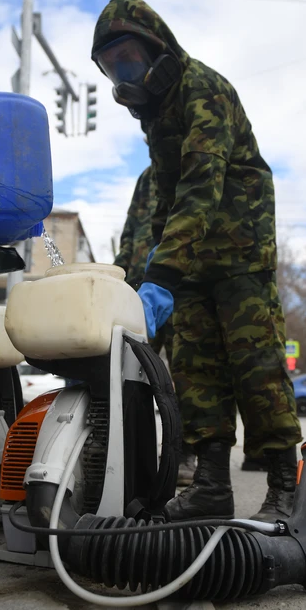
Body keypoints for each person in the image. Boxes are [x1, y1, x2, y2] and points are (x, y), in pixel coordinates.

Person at [91, 0, 302, 522]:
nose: (125, 73)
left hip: (237, 251)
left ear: (157, 48)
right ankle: (211, 485)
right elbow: (164, 198)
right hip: (190, 263)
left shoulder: (202, 89)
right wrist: (147, 273)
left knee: (256, 365)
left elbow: (200, 186)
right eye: (112, 66)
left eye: (130, 59)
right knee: (196, 369)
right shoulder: (156, 115)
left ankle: (284, 485)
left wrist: (161, 272)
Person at [114, 164, 197, 485]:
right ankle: (125, 450)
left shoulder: (189, 162)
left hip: (179, 284)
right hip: (137, 286)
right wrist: (117, 275)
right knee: (128, 370)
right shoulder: (148, 176)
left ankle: (185, 454)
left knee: (186, 372)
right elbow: (130, 229)